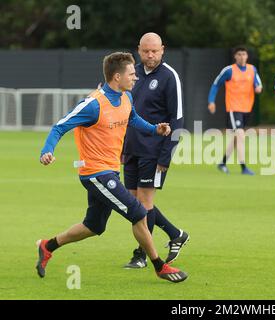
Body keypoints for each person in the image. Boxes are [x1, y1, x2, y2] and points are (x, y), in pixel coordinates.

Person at [37, 52, 187, 283]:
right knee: (138, 213)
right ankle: (159, 266)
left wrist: (155, 129)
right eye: (131, 74)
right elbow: (59, 127)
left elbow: (134, 119)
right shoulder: (93, 104)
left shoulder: (126, 98)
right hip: (95, 174)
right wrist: (47, 151)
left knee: (94, 226)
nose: (136, 77)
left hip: (110, 170)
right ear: (117, 77)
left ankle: (47, 246)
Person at [122, 33, 189, 269]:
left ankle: (142, 254)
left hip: (154, 151)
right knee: (132, 203)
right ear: (138, 50)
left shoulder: (170, 77)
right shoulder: (132, 74)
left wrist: (166, 155)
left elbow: (178, 119)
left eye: (155, 51)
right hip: (131, 149)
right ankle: (175, 233)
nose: (150, 55)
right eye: (145, 51)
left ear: (163, 50)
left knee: (144, 203)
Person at [207, 46, 263, 175]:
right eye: (239, 54)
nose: (242, 57)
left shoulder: (252, 69)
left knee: (236, 138)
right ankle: (244, 167)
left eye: (244, 54)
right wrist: (211, 101)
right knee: (240, 135)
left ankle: (222, 163)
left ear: (247, 56)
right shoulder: (229, 71)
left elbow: (258, 84)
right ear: (235, 56)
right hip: (233, 108)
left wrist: (258, 88)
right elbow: (216, 84)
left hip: (247, 108)